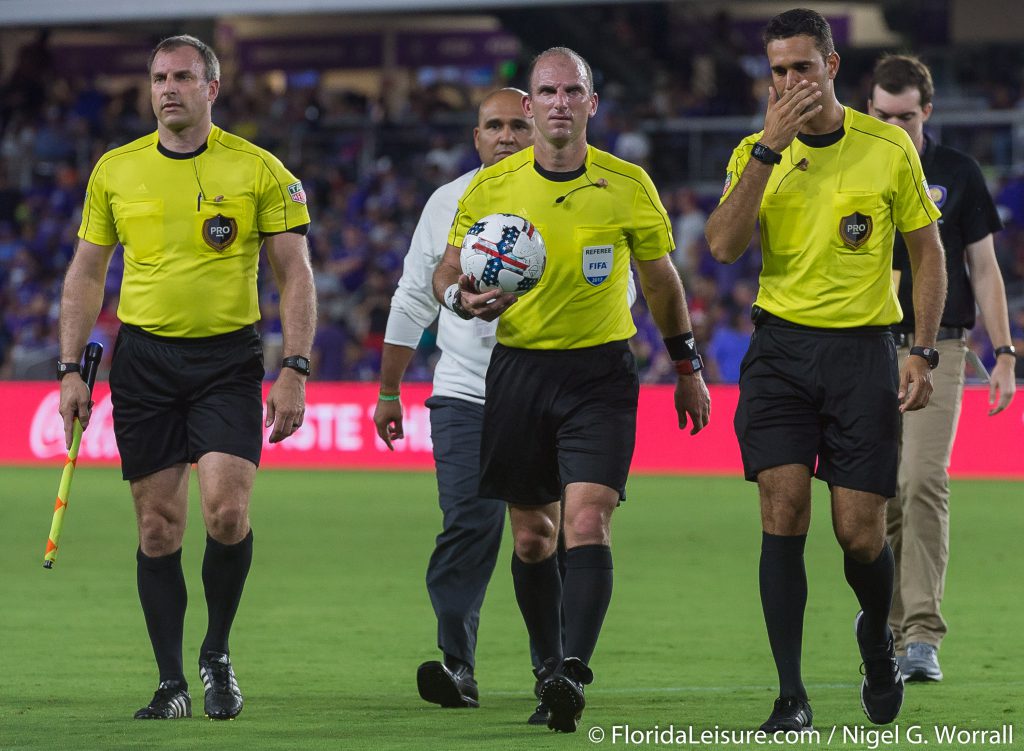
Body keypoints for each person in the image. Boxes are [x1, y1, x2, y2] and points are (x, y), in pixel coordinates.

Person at [432, 47, 710, 734]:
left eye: (572, 91)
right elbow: (446, 272)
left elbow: (661, 282)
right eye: (547, 91)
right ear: (528, 107)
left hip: (600, 375)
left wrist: (686, 366)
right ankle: (547, 664)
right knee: (532, 538)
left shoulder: (626, 184)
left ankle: (572, 670)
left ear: (592, 102)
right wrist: (464, 300)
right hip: (520, 370)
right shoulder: (493, 189)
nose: (559, 102)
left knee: (587, 521)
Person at [58, 35, 315, 721]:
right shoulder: (116, 170)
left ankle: (217, 652)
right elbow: (86, 272)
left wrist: (294, 365)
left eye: (182, 77)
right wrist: (68, 367)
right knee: (157, 528)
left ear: (213, 87)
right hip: (143, 361)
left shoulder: (260, 170)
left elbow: (296, 275)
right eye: (159, 78)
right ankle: (171, 681)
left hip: (227, 360)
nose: (168, 88)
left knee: (227, 513)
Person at [704, 9, 947, 732]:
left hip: (861, 353)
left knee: (859, 534)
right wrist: (767, 153)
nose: (790, 83)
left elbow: (927, 253)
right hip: (779, 350)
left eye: (802, 68)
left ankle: (877, 633)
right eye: (778, 71)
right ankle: (791, 695)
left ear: (832, 67)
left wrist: (922, 347)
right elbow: (721, 246)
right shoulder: (755, 151)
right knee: (782, 513)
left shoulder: (887, 148)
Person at [372, 88, 538, 714]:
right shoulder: (449, 203)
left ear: (541, 127)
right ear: (475, 137)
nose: (506, 136)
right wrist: (390, 388)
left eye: (517, 125)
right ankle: (457, 664)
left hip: (548, 391)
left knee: (547, 536)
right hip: (464, 391)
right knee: (469, 522)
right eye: (493, 126)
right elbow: (414, 295)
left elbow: (623, 288)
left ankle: (555, 664)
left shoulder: (576, 192)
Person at [868, 54, 1016, 682]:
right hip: (866, 348)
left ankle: (921, 635)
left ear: (927, 111)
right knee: (883, 494)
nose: (895, 126)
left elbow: (983, 267)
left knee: (923, 479)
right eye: (882, 115)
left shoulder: (956, 173)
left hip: (941, 348)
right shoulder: (853, 166)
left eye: (905, 115)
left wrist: (1006, 354)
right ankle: (892, 626)